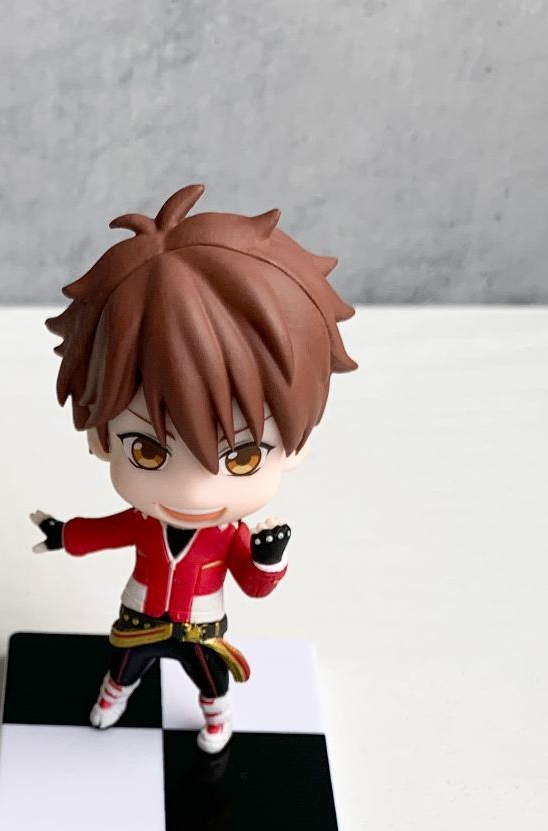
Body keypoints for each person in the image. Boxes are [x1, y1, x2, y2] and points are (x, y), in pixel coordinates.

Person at [32, 184, 355, 752]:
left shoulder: (228, 535)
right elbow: (105, 531)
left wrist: (268, 558)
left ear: (295, 446)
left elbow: (253, 584)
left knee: (211, 680)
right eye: (148, 452)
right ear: (99, 435)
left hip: (202, 626)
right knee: (123, 667)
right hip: (139, 618)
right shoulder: (144, 523)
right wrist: (65, 535)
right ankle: (112, 697)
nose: (197, 491)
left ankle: (216, 718)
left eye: (243, 457)